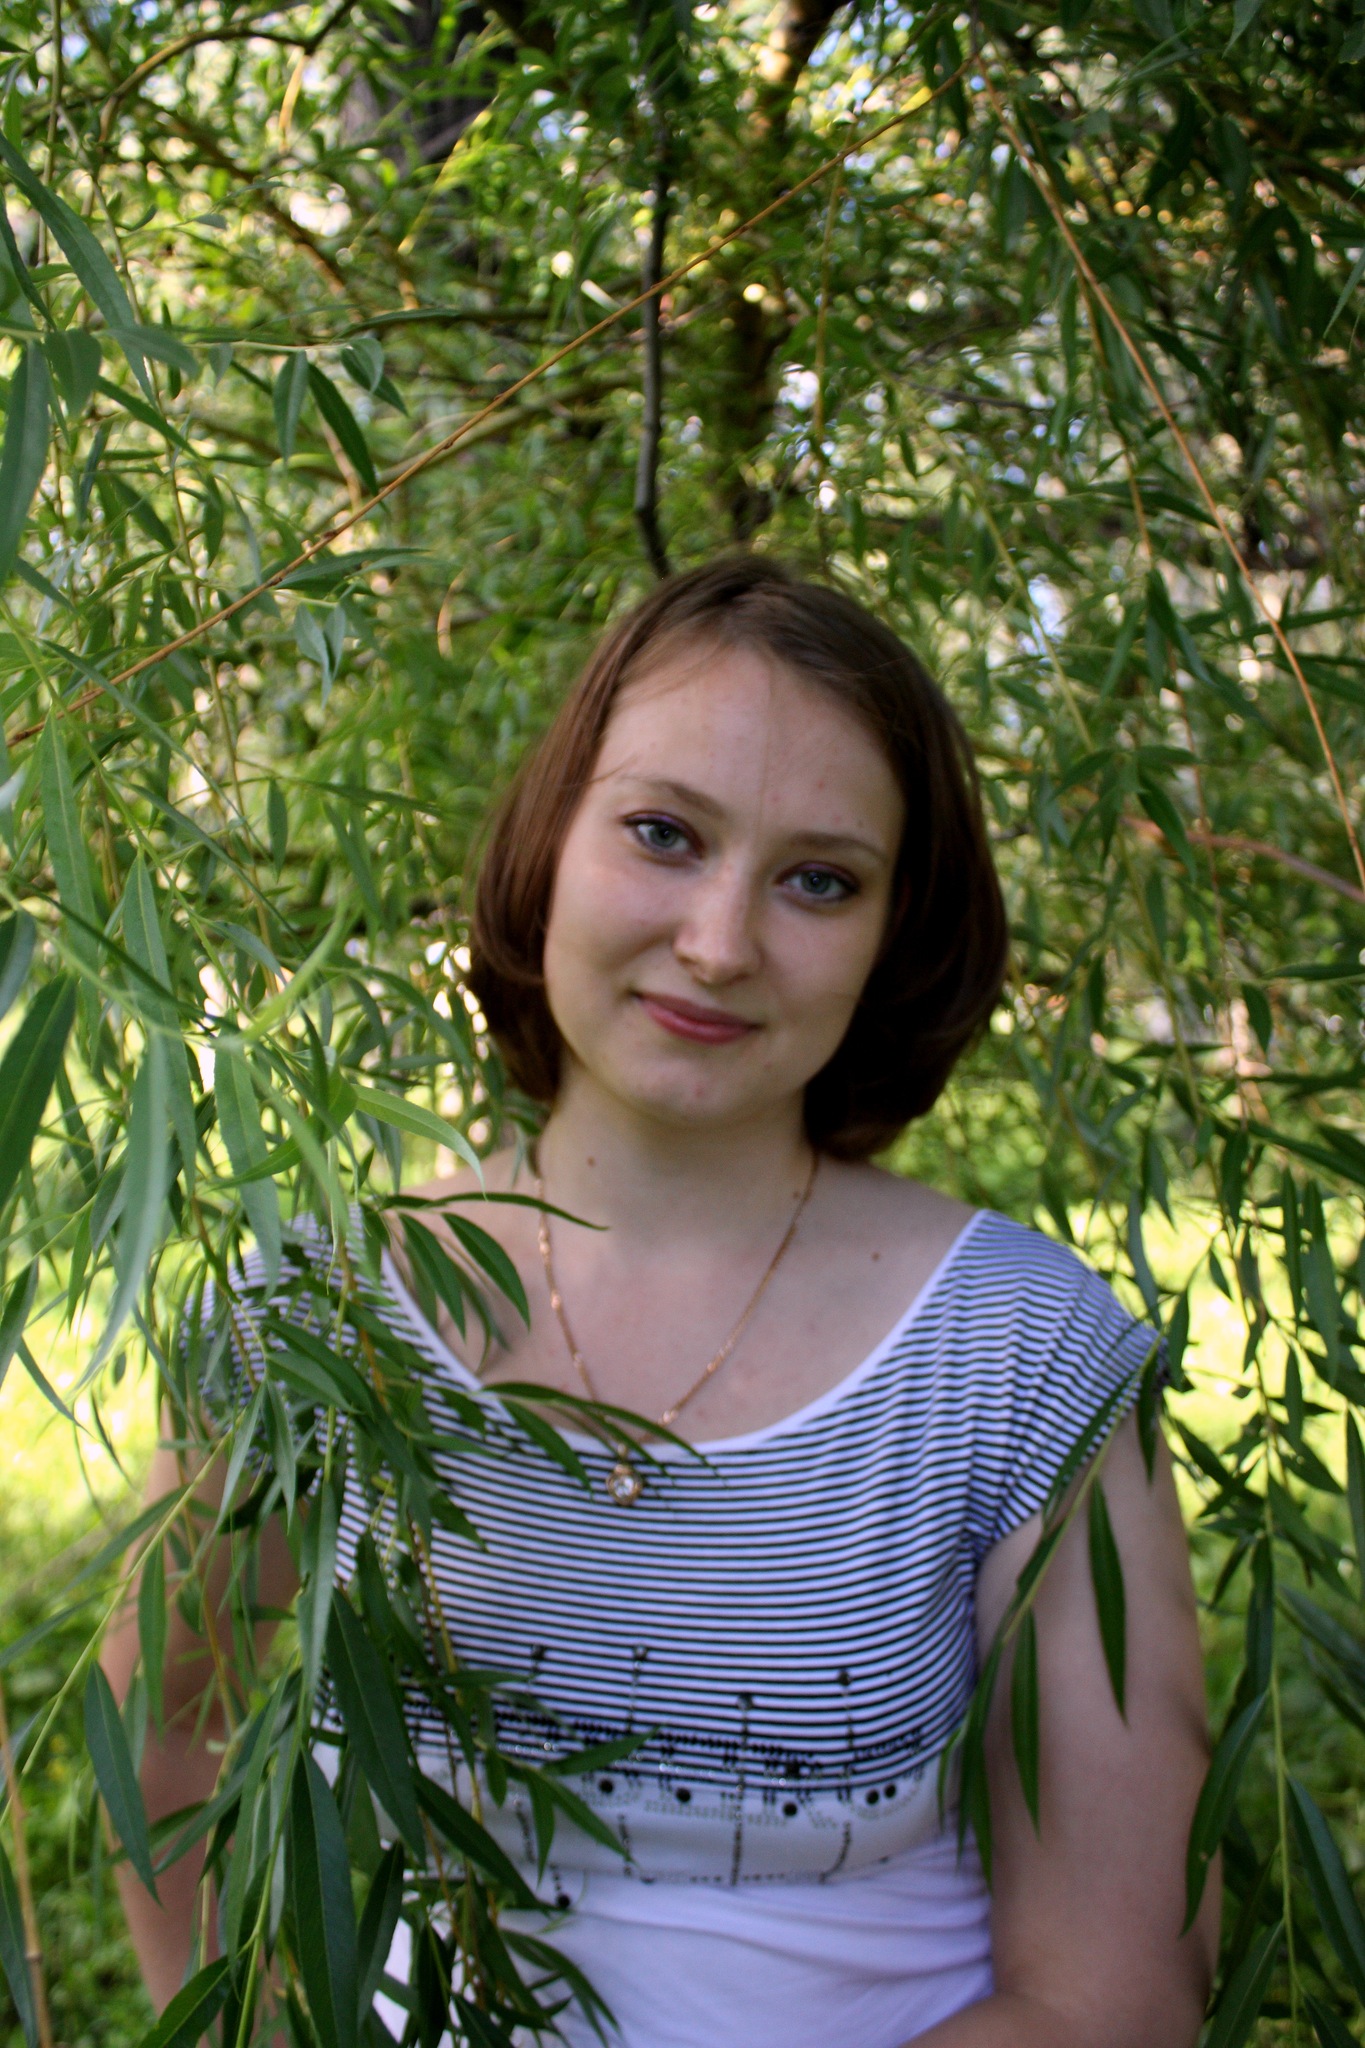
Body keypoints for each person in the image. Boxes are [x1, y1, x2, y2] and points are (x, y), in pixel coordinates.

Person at [105, 555, 1216, 2047]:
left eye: (819, 879)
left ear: (894, 931)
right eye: (663, 834)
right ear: (549, 842)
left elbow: (1111, 1996)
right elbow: (165, 1750)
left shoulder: (1024, 1359)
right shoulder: (315, 1308)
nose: (718, 942)